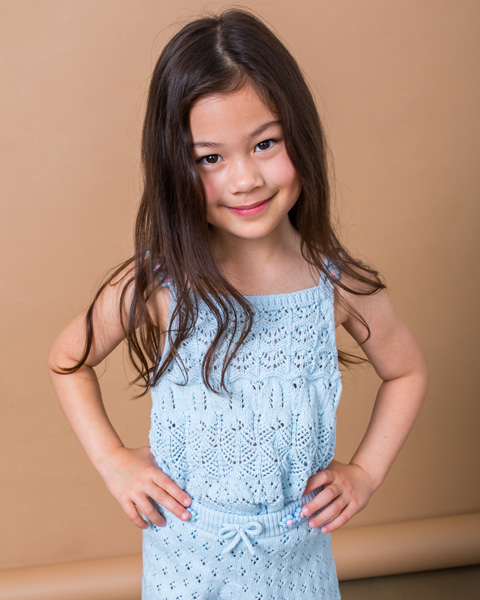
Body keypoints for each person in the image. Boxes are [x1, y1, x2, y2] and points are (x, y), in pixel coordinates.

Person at [48, 9, 428, 599]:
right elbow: (67, 361)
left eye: (265, 144)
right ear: (174, 164)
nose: (244, 179)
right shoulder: (160, 281)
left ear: (301, 135)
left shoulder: (334, 283)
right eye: (211, 158)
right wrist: (112, 460)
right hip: (186, 566)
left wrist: (365, 472)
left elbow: (406, 371)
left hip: (298, 568)